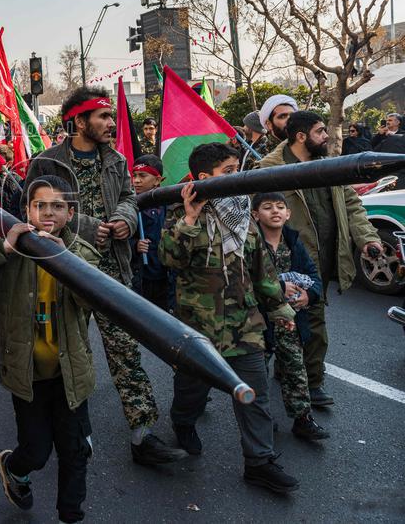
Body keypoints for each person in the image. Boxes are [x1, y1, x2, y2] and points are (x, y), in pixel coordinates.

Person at [25, 87, 184, 467]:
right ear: (80, 121)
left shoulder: (115, 159)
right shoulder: (46, 162)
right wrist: (84, 225)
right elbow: (28, 208)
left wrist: (125, 219)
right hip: (63, 269)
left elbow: (129, 197)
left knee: (125, 350)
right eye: (103, 117)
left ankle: (142, 434)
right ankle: (59, 432)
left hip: (112, 269)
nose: (111, 123)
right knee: (63, 352)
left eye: (111, 116)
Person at [159, 143, 299, 493]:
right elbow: (170, 259)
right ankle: (183, 421)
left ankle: (260, 462)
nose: (238, 177)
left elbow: (261, 269)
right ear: (204, 177)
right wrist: (190, 220)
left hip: (244, 323)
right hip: (198, 327)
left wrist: (279, 307)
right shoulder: (181, 212)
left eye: (238, 169)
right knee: (192, 390)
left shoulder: (242, 214)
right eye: (229, 171)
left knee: (254, 394)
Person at [0, 175, 98, 524]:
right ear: (27, 211)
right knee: (36, 452)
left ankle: (71, 515)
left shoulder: (81, 252)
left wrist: (66, 261)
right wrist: (4, 248)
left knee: (75, 450)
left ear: (70, 213)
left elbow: (91, 301)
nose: (48, 212)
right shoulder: (12, 248)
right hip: (28, 374)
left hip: (70, 373)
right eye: (40, 205)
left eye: (57, 206)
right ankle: (13, 466)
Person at [257, 111, 381, 407]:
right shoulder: (270, 169)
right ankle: (294, 381)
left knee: (311, 319)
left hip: (324, 260)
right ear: (301, 137)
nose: (327, 137)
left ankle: (307, 379)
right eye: (321, 131)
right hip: (287, 262)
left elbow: (351, 204)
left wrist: (367, 238)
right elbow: (256, 217)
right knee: (281, 321)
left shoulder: (330, 165)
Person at [252, 192, 329, 441]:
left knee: (296, 369)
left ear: (288, 214)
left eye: (280, 207)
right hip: (259, 321)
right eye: (267, 207)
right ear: (255, 215)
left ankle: (302, 419)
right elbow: (244, 280)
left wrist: (309, 295)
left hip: (289, 321)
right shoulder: (251, 243)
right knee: (257, 374)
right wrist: (278, 288)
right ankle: (260, 419)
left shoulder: (294, 242)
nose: (275, 211)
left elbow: (314, 277)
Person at [130, 156, 172, 313]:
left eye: (143, 176)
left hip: (164, 276)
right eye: (134, 175)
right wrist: (135, 245)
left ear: (157, 180)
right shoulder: (130, 206)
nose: (136, 181)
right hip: (141, 276)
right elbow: (119, 238)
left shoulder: (170, 205)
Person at [255, 94, 298, 158]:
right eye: (283, 116)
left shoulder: (308, 146)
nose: (290, 120)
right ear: (269, 124)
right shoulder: (258, 156)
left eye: (293, 115)